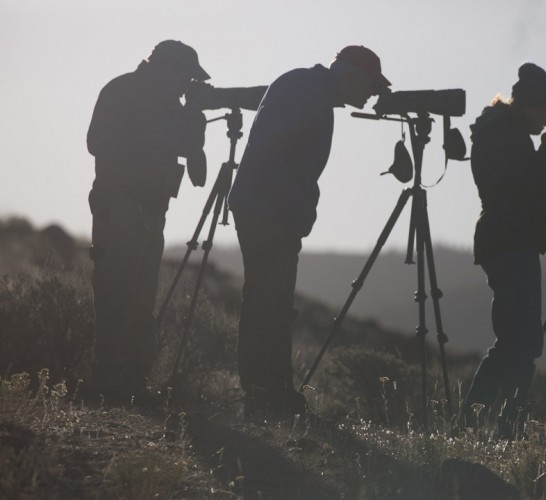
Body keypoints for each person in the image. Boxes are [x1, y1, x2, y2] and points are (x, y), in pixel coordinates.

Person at [228, 46, 391, 418]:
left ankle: (270, 391)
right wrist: (292, 204)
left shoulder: (307, 86)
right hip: (269, 210)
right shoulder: (306, 89)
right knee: (268, 302)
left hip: (268, 207)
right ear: (352, 77)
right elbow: (275, 149)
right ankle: (265, 395)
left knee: (270, 302)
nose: (370, 96)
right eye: (370, 86)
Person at [86, 40, 210, 403]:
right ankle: (108, 378)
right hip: (120, 204)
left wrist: (193, 114)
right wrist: (167, 128)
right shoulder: (123, 91)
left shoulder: (170, 105)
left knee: (141, 298)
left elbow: (191, 154)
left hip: (152, 209)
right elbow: (97, 142)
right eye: (185, 77)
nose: (187, 84)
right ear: (165, 69)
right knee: (115, 291)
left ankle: (132, 380)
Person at [460, 62, 546, 438]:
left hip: (506, 242)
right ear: (529, 104)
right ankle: (497, 428)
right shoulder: (505, 135)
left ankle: (484, 426)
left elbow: (527, 180)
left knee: (517, 342)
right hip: (510, 243)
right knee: (522, 343)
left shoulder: (502, 130)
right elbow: (530, 181)